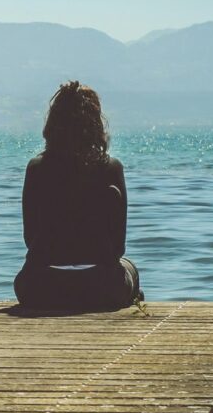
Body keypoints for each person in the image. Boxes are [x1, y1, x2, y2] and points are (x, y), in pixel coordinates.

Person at [13, 80, 142, 311]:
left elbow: (30, 239)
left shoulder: (36, 169)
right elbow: (118, 248)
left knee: (24, 277)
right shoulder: (111, 168)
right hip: (102, 286)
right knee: (129, 267)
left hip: (42, 287)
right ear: (96, 125)